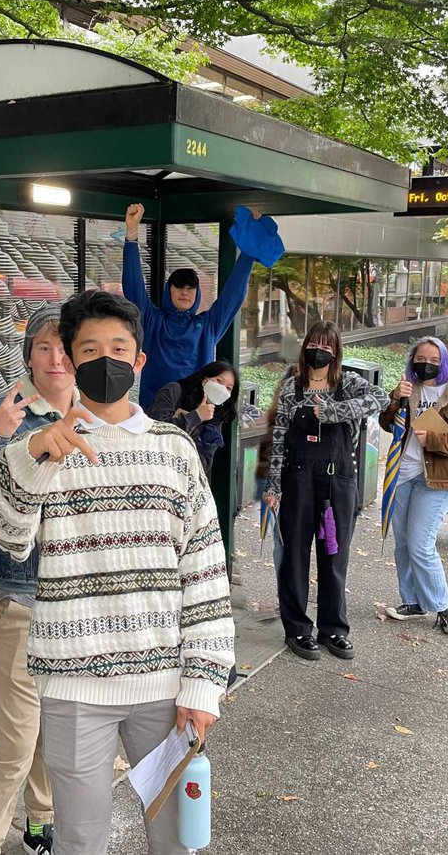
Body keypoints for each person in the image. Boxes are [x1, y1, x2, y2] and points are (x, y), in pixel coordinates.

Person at [0, 290, 235, 855]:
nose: (105, 359)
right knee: (79, 838)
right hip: (72, 684)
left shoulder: (175, 451)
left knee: (175, 835)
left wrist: (205, 682)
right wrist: (34, 452)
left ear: (139, 362)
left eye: (119, 348)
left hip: (165, 688)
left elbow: (205, 571)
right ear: (70, 357)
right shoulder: (45, 447)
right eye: (90, 348)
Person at [0, 304, 75, 855]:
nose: (56, 359)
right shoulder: (2, 414)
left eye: (65, 348)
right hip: (19, 597)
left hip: (76, 599)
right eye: (44, 347)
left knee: (54, 730)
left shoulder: (94, 412)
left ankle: (39, 821)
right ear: (28, 353)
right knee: (13, 742)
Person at [261, 322, 389, 660]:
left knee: (334, 555)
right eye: (314, 343)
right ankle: (298, 629)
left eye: (326, 345)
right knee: (294, 556)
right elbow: (278, 437)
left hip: (338, 480)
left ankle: (334, 628)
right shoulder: (292, 387)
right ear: (305, 347)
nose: (320, 350)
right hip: (297, 479)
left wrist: (334, 411)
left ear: (336, 351)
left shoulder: (346, 383)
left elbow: (380, 396)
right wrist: (273, 484)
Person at [381, 337, 448, 635]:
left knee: (420, 544)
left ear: (443, 361)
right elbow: (387, 424)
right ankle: (414, 602)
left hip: (438, 478)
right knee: (404, 543)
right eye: (420, 358)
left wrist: (439, 440)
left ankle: (443, 607)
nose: (425, 363)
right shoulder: (408, 386)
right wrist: (393, 399)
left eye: (432, 359)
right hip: (403, 474)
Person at [120, 203, 257, 409]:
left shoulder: (208, 326)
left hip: (195, 417)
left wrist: (248, 254)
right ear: (169, 290)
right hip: (155, 415)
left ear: (197, 292)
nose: (185, 291)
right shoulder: (152, 320)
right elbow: (133, 287)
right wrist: (132, 235)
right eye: (179, 286)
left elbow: (232, 296)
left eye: (191, 287)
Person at [146, 359, 240, 475]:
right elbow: (155, 432)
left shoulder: (216, 417)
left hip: (183, 481)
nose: (222, 389)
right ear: (205, 380)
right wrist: (196, 416)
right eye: (219, 381)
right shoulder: (174, 391)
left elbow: (203, 465)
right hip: (153, 471)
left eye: (228, 388)